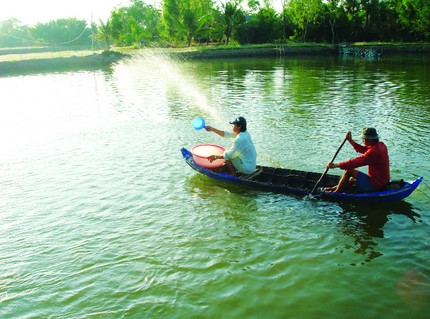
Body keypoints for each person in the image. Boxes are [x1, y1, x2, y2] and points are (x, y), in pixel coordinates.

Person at [324, 127, 390, 193]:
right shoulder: (381, 145)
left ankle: (336, 192)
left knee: (349, 171)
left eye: (363, 138)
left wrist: (335, 165)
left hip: (375, 185)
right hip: (383, 181)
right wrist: (350, 140)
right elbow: (363, 149)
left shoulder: (373, 152)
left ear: (369, 139)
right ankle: (333, 189)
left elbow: (354, 163)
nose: (362, 140)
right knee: (352, 179)